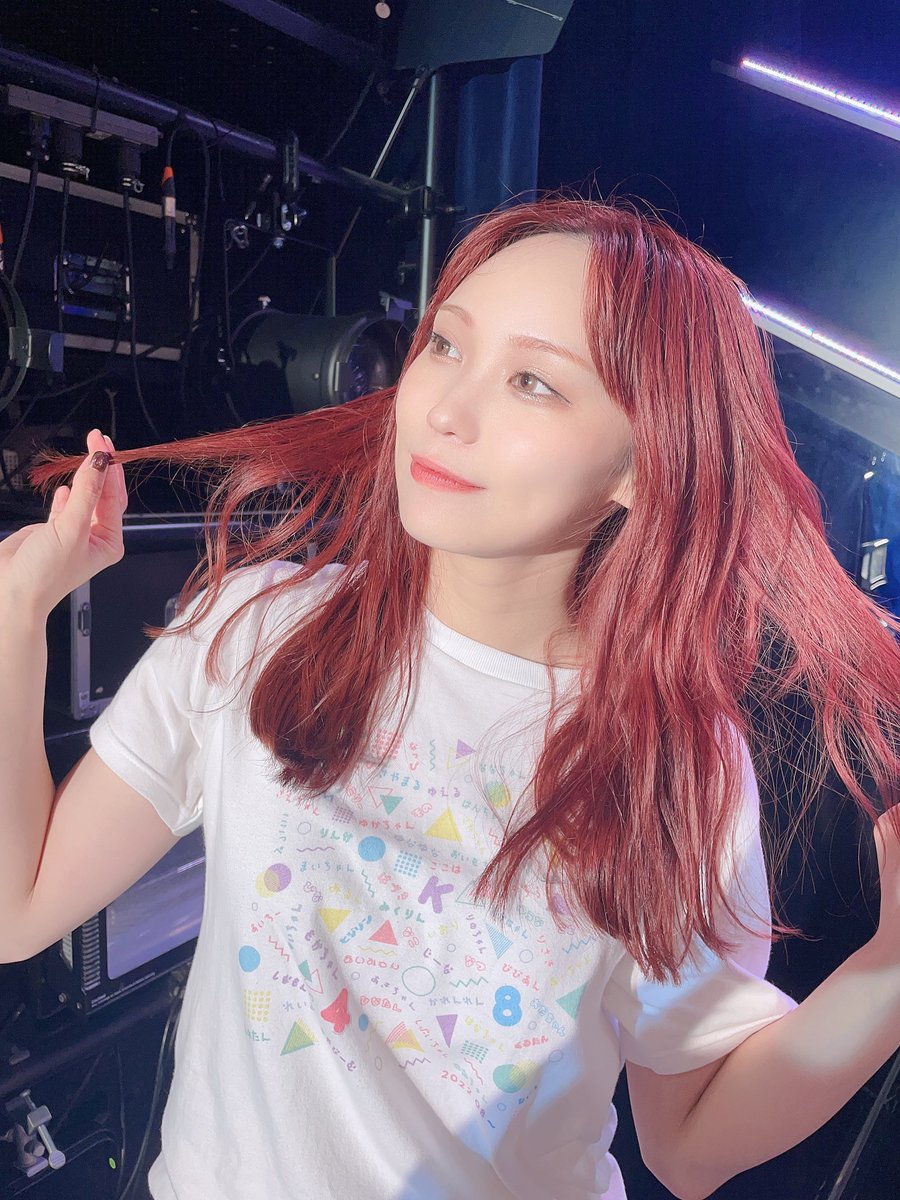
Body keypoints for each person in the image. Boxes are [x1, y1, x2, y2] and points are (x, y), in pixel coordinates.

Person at [3, 195, 899, 1200]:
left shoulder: (676, 763)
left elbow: (688, 1146)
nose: (443, 411)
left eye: (532, 382)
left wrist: (891, 971)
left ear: (648, 464)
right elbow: (17, 905)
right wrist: (16, 607)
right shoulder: (258, 631)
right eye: (444, 346)